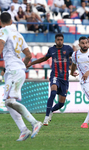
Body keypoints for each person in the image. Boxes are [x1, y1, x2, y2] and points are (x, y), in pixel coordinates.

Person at [0, 12, 42, 141]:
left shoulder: (3, 31)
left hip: (13, 71)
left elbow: (0, 47)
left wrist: (18, 68)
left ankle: (34, 122)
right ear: (12, 20)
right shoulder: (18, 34)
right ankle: (23, 130)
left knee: (10, 101)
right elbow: (28, 55)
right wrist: (22, 66)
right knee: (8, 102)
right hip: (16, 71)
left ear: (1, 22)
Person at [27, 33, 74, 126]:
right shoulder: (51, 50)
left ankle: (51, 111)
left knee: (61, 104)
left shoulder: (68, 49)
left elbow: (76, 58)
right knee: (52, 93)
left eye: (61, 39)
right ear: (55, 40)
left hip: (65, 78)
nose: (59, 41)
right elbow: (44, 59)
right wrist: (31, 63)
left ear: (63, 40)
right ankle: (46, 117)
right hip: (55, 76)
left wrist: (74, 69)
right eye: (58, 40)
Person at [70, 36, 89, 129]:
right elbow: (73, 64)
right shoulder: (75, 54)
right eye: (82, 43)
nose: (85, 45)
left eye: (86, 43)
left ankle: (85, 123)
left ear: (88, 43)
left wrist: (88, 72)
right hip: (85, 82)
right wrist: (71, 73)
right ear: (79, 45)